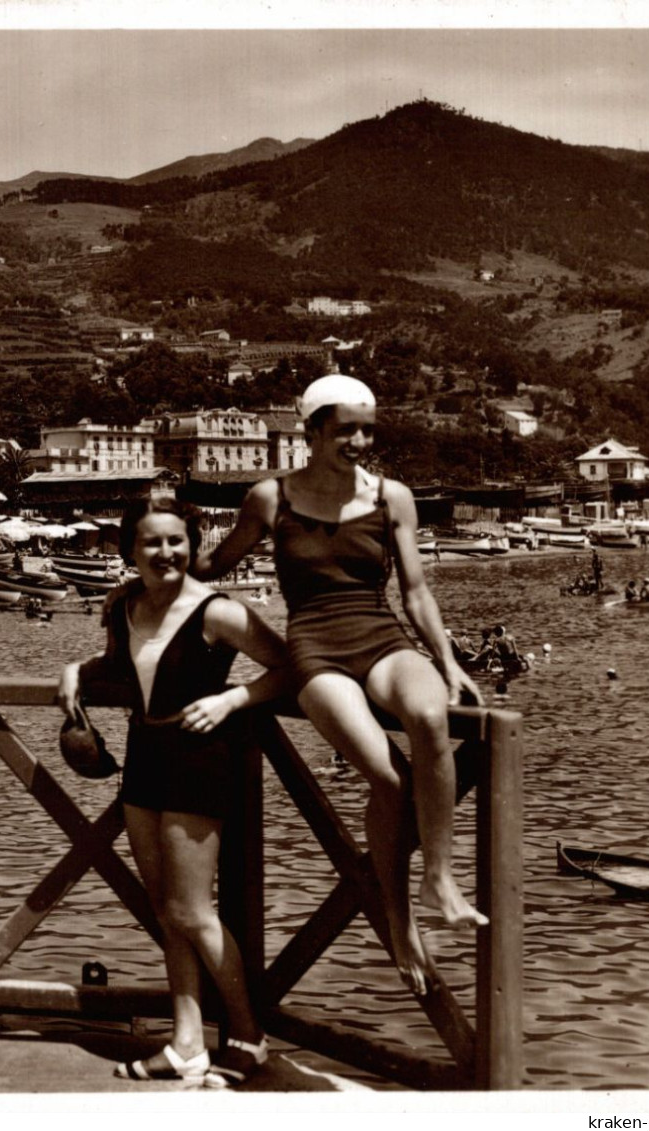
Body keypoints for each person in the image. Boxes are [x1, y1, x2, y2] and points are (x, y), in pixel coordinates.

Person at [192, 373, 487, 999]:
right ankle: (401, 923)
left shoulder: (392, 498)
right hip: (315, 650)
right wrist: (152, 571)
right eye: (345, 429)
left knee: (431, 718)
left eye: (367, 429)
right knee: (387, 778)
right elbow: (215, 566)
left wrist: (448, 659)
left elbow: (414, 592)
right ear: (313, 431)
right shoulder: (270, 498)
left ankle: (439, 876)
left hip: (381, 636)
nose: (359, 440)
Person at [58, 497, 289, 1088]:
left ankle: (249, 1038)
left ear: (193, 545)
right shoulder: (125, 605)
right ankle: (186, 1044)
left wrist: (233, 698)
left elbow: (291, 666)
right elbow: (119, 667)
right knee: (166, 911)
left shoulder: (219, 613)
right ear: (130, 551)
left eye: (177, 541)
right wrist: (75, 673)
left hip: (199, 761)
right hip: (144, 758)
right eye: (152, 543)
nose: (166, 553)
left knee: (193, 910)